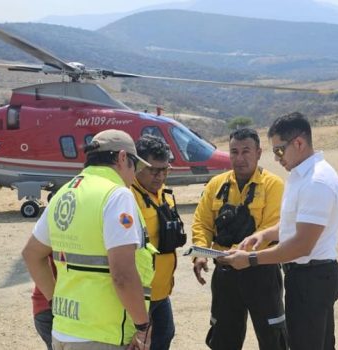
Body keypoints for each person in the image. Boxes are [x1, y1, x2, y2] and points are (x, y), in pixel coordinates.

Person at [218, 112, 338, 350]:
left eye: (278, 150)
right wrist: (264, 235)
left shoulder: (317, 181)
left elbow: (301, 245)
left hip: (312, 277)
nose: (276, 158)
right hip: (305, 276)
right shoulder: (302, 175)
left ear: (298, 143)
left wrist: (251, 260)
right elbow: (293, 225)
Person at [21, 129, 157, 350]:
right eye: (135, 166)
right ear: (123, 158)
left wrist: (56, 302)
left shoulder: (65, 192)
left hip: (64, 332)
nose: (134, 176)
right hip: (104, 335)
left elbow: (31, 254)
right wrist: (143, 326)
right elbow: (122, 275)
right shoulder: (116, 195)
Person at [191, 128, 287, 350]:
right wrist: (201, 253)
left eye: (246, 151)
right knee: (223, 337)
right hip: (225, 273)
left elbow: (271, 226)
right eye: (234, 151)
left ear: (259, 153)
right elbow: (202, 223)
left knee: (273, 336)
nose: (240, 158)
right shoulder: (215, 185)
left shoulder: (273, 185)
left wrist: (238, 253)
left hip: (261, 269)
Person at [131, 135, 186, 350]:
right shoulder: (128, 197)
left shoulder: (165, 195)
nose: (160, 176)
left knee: (165, 335)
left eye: (165, 170)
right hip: (140, 293)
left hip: (162, 291)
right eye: (154, 170)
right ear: (137, 165)